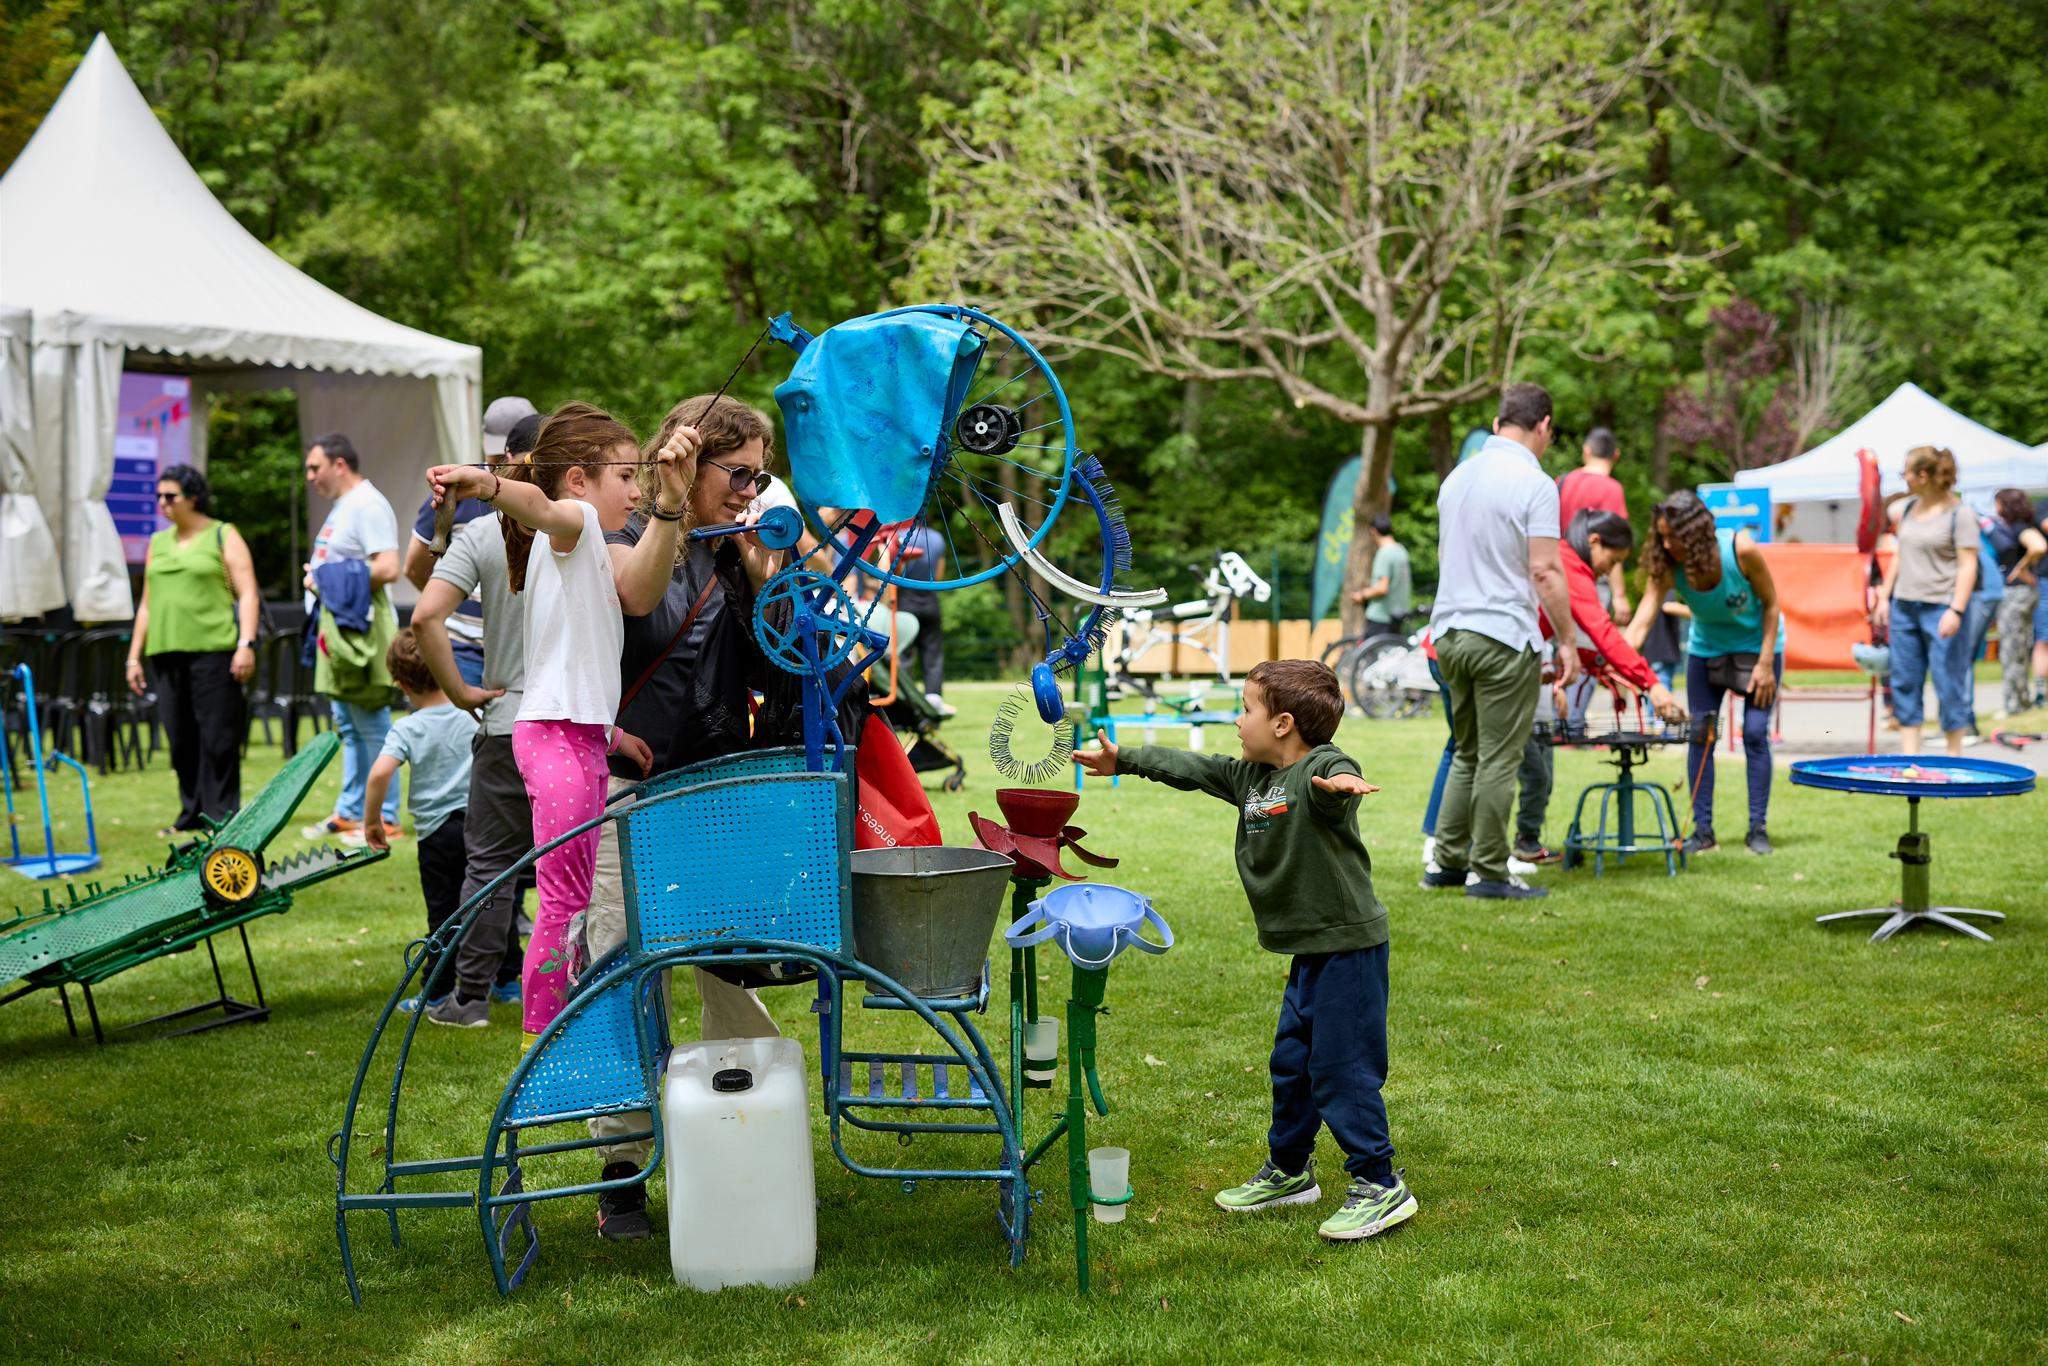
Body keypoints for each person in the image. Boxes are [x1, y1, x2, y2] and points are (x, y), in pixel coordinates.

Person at [1072, 660, 1416, 1243]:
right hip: (1310, 951)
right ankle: (1289, 1172)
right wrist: (1123, 760)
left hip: (1348, 946)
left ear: (1283, 723)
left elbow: (1334, 780)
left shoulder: (1319, 770)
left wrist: (1340, 789)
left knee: (1340, 1068)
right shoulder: (1250, 779)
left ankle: (1380, 1184)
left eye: (1247, 709)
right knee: (1291, 1063)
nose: (1237, 720)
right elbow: (1192, 767)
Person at [581, 393, 786, 1242]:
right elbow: (642, 607)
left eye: (761, 476)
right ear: (688, 461)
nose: (751, 490)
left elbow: (773, 658)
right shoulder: (635, 537)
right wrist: (670, 505)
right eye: (739, 474)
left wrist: (762, 570)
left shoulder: (737, 551)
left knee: (730, 973)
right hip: (627, 795)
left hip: (712, 796)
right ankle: (622, 1174)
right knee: (621, 976)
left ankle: (748, 1141)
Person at [427, 403, 665, 1046]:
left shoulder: (581, 547)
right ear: (581, 481)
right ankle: (543, 1041)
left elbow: (567, 664)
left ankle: (567, 1025)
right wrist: (490, 486)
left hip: (579, 735)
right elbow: (541, 502)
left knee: (576, 899)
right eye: (625, 475)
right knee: (563, 904)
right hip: (555, 740)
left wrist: (610, 735)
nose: (637, 490)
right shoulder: (576, 522)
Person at [1422, 382, 1578, 901]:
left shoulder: (1456, 478)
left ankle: (1446, 862)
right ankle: (1488, 871)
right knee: (1498, 758)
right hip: (1502, 634)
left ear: (1496, 425)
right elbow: (1546, 571)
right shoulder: (1534, 483)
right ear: (1544, 427)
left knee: (1466, 751)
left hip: (1449, 634)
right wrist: (1569, 643)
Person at [1512, 510, 1686, 864]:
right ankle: (1485, 858)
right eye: (1613, 559)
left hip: (1519, 663)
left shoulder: (1566, 561)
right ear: (1594, 541)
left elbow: (1580, 641)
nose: (1610, 569)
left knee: (1504, 760)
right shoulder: (1568, 565)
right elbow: (1603, 633)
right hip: (1503, 663)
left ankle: (1493, 850)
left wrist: (1588, 670)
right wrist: (1652, 684)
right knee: (1504, 762)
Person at [1628, 488, 1783, 855]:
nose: (1666, 545)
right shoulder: (1668, 567)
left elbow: (1773, 605)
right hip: (1706, 650)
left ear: (1695, 534)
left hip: (1756, 648)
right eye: (1661, 536)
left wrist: (1765, 664)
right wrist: (1609, 656)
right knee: (1702, 733)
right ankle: (1703, 832)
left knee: (1756, 734)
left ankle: (1757, 829)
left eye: (1674, 537)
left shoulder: (1739, 550)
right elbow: (1639, 625)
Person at [124, 464, 261, 834]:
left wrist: (245, 644)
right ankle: (190, 816)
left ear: (193, 498)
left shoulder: (222, 534)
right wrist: (134, 655)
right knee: (180, 739)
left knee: (218, 738)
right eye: (159, 497)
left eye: (170, 496)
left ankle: (222, 819)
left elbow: (248, 593)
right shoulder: (158, 543)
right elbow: (147, 605)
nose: (162, 503)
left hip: (214, 651)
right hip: (165, 653)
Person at [362, 630, 479, 1015]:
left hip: (436, 836)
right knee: (492, 903)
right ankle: (507, 978)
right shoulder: (471, 715)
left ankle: (437, 991)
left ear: (400, 683)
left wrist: (372, 822)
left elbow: (380, 774)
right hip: (480, 827)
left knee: (442, 914)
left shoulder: (408, 727)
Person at [303, 434, 402, 839]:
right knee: (348, 723)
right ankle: (349, 810)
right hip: (338, 631)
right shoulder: (346, 506)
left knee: (371, 722)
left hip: (360, 632)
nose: (310, 476)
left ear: (340, 464)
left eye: (315, 467)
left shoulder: (368, 504)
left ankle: (386, 817)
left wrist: (324, 580)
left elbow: (389, 567)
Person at [403, 397, 541, 687]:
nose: (501, 466)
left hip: (526, 648)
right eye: (494, 459)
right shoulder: (457, 489)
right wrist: (451, 598)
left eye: (507, 459)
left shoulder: (549, 498)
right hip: (464, 648)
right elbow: (415, 566)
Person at [1873, 447, 1978, 757]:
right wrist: (1884, 596)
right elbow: (1901, 556)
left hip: (1941, 608)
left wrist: (1956, 610)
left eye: (1905, 472)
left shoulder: (1960, 514)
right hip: (1905, 607)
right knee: (1904, 681)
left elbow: (1968, 565)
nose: (1903, 478)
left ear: (1922, 475)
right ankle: (1910, 758)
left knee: (1948, 682)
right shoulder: (1907, 510)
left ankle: (1954, 756)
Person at [1556, 427, 1631, 625]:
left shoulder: (1562, 481)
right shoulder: (1611, 489)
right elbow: (1613, 548)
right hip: (1592, 580)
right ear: (1616, 455)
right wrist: (1619, 595)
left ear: (1586, 450)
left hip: (1559, 574)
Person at [1986, 488, 2045, 716]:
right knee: (2020, 649)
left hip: (2016, 594)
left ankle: (2013, 704)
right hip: (2024, 592)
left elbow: (2039, 546)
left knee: (2011, 650)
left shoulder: (2019, 527)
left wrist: (2021, 567)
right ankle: (2020, 700)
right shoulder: (2017, 526)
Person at [894, 522, 951, 716]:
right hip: (930, 600)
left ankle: (907, 700)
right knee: (933, 653)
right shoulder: (937, 537)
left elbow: (894, 570)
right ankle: (934, 699)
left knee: (904, 652)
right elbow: (939, 574)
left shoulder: (898, 535)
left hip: (905, 601)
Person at [1350, 515, 1413, 638]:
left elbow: (1382, 588)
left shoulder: (1384, 553)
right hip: (1398, 614)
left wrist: (1361, 595)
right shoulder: (1401, 551)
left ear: (1373, 531)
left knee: (1372, 656)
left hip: (1381, 616)